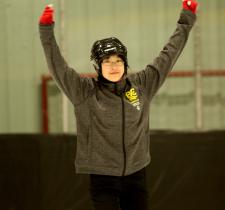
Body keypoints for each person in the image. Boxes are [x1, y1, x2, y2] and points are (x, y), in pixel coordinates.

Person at [39, 1, 197, 209]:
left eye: (118, 61)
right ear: (98, 65)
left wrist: (187, 17)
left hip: (136, 176)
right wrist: (46, 29)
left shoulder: (141, 86)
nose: (113, 66)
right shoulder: (84, 91)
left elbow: (169, 55)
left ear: (125, 63)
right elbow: (57, 65)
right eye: (107, 61)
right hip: (103, 180)